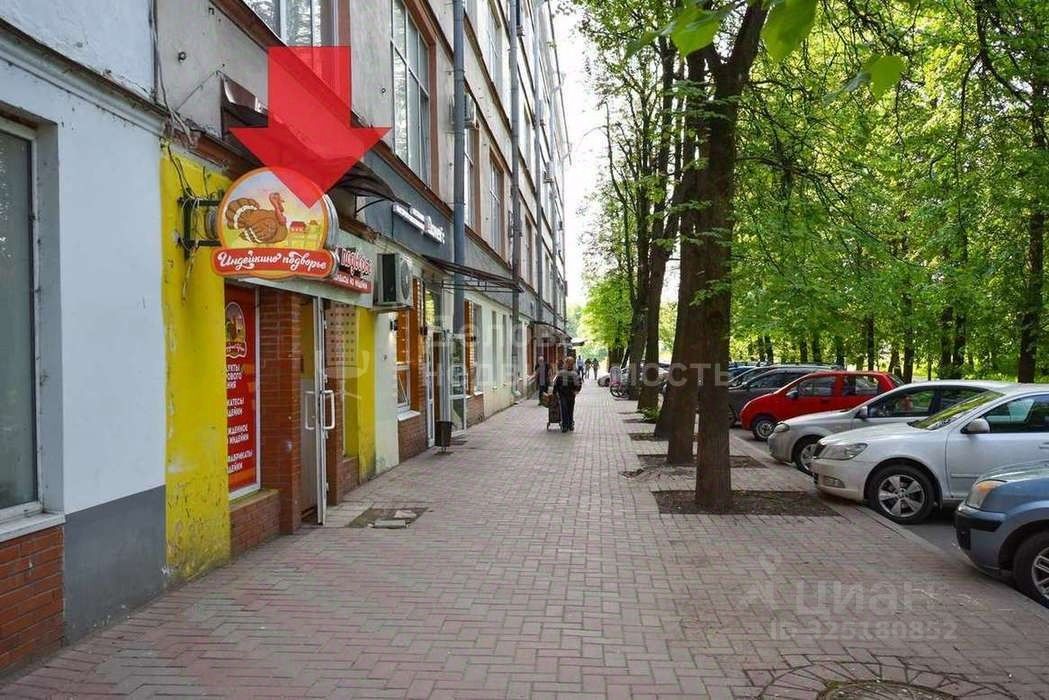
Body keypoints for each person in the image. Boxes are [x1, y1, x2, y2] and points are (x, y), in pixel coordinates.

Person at [553, 357, 582, 432]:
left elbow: (579, 383)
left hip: (571, 394)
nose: (569, 365)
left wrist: (576, 390)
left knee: (570, 409)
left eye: (571, 363)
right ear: (565, 363)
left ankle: (570, 424)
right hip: (562, 394)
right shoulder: (561, 373)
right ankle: (565, 425)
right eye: (568, 363)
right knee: (564, 409)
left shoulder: (575, 373)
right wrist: (554, 393)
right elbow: (556, 383)